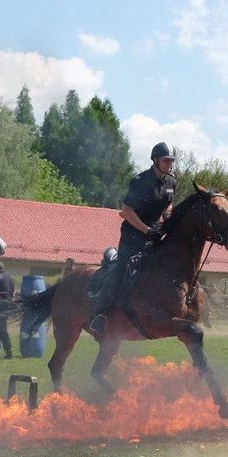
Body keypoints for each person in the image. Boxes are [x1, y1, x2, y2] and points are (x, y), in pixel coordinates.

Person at [88, 142, 177, 334]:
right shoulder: (140, 181)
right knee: (121, 270)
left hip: (154, 233)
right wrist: (146, 230)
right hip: (133, 234)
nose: (169, 163)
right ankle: (98, 315)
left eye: (171, 160)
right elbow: (127, 211)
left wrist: (167, 218)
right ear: (155, 159)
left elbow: (168, 205)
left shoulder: (171, 182)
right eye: (166, 160)